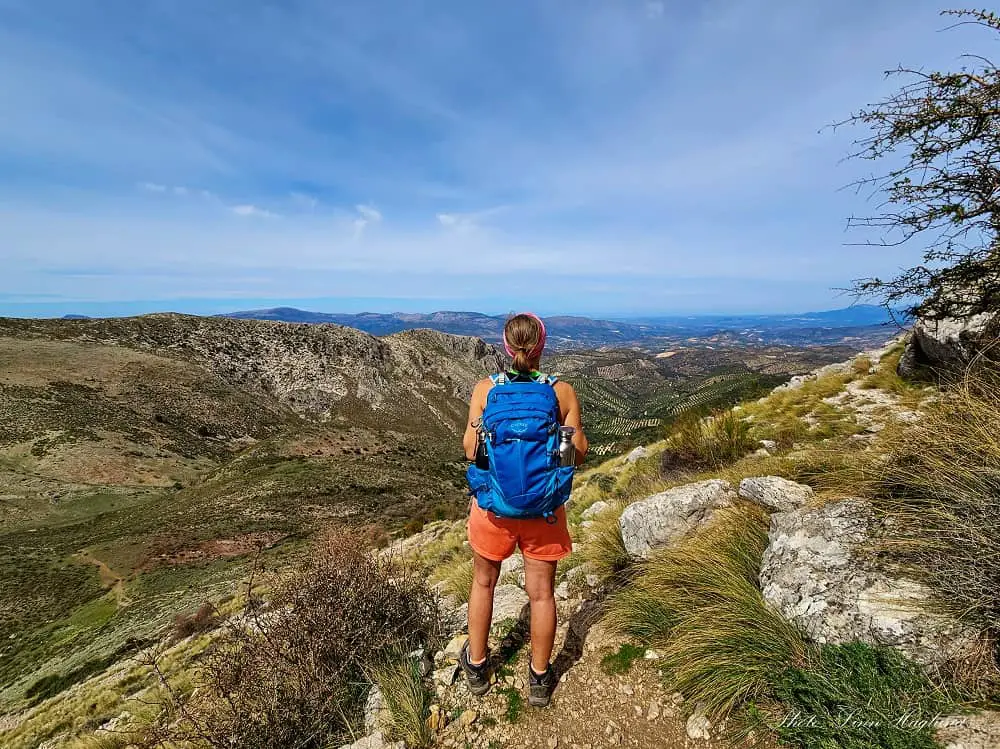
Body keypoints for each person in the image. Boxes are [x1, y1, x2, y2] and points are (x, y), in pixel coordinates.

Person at [459, 312, 588, 707]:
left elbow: (470, 451)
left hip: (494, 511)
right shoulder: (560, 392)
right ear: (541, 347)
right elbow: (576, 455)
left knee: (484, 584)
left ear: (505, 346)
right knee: (542, 595)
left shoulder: (485, 390)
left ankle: (478, 668)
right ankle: (538, 679)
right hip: (544, 514)